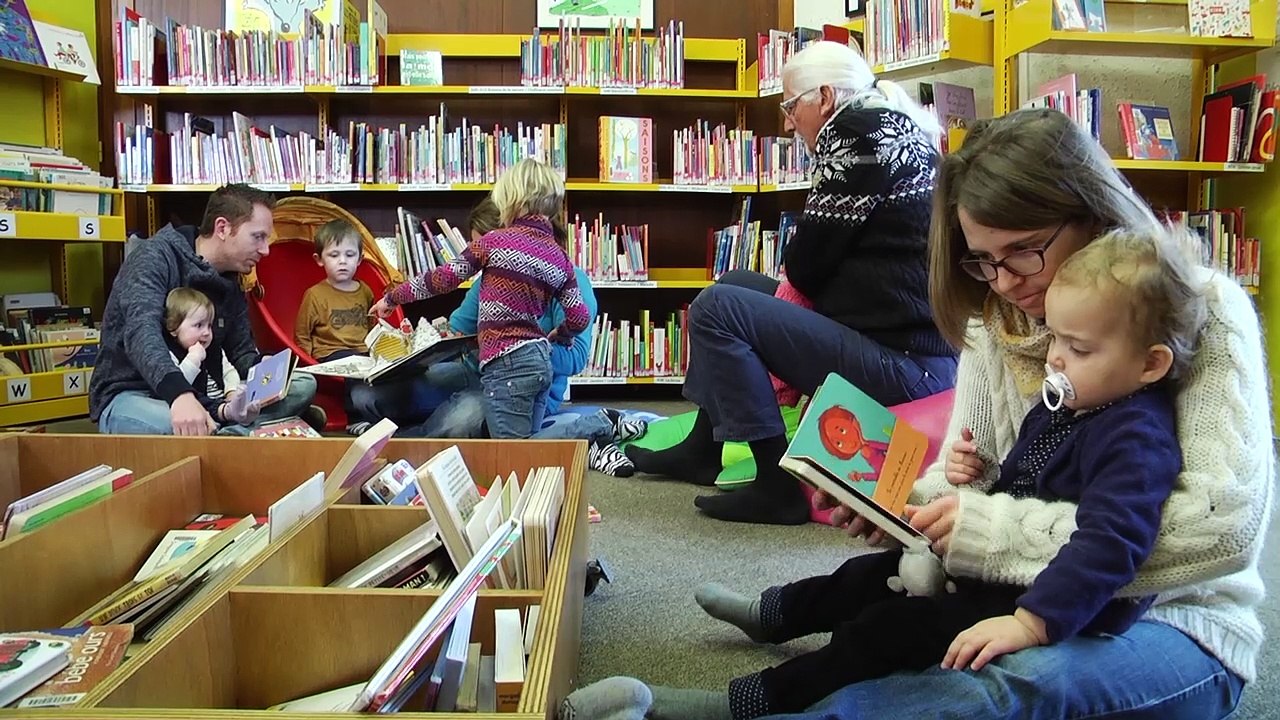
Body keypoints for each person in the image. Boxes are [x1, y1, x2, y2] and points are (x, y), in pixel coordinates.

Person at [586, 107, 1276, 720]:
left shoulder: (1198, 308)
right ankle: (779, 630)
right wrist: (908, 509)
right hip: (1016, 587)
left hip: (1174, 623)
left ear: (1091, 213)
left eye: (1025, 250)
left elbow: (1219, 530)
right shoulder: (994, 321)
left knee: (1001, 683)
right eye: (983, 262)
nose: (1008, 283)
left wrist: (983, 531)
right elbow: (987, 487)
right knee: (902, 611)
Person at [624, 40, 957, 525]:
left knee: (718, 307)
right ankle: (703, 448)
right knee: (738, 282)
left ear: (823, 97)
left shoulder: (856, 135)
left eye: (789, 106)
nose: (786, 122)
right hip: (908, 345)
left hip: (904, 364)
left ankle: (774, 484)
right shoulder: (893, 125)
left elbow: (805, 265)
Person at [391, 198, 646, 474]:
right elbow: (458, 326)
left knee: (473, 428)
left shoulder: (565, 276)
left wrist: (514, 346)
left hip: (517, 380)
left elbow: (576, 356)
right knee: (386, 395)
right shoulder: (498, 272)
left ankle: (398, 446)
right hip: (479, 367)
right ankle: (399, 434)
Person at [370, 158, 591, 439]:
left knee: (509, 450)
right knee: (530, 446)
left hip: (505, 363)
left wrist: (392, 298)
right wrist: (561, 335)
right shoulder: (560, 258)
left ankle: (593, 427)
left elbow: (442, 279)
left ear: (511, 201)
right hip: (540, 363)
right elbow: (579, 317)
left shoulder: (493, 243)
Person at [90, 184, 321, 436]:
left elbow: (239, 352)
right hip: (135, 392)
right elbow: (141, 334)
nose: (266, 250)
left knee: (302, 384)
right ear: (222, 228)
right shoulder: (154, 257)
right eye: (258, 237)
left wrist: (262, 367)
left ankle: (233, 430)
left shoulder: (232, 280)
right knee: (182, 426)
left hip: (210, 394)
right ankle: (250, 429)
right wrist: (180, 394)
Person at [293, 219, 381, 435]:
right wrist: (308, 363)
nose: (342, 261)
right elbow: (302, 334)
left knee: (379, 368)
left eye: (349, 255)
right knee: (355, 366)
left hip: (362, 350)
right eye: (334, 255)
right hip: (329, 353)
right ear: (319, 259)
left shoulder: (365, 291)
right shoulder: (315, 295)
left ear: (360, 259)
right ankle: (355, 418)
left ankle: (381, 413)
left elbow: (371, 326)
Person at [164, 287, 261, 432]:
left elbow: (229, 372)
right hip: (201, 408)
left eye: (209, 326)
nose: (206, 332)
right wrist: (193, 359)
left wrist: (231, 392)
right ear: (173, 328)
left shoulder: (213, 349)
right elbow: (178, 384)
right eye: (198, 325)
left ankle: (242, 421)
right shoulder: (169, 354)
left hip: (223, 403)